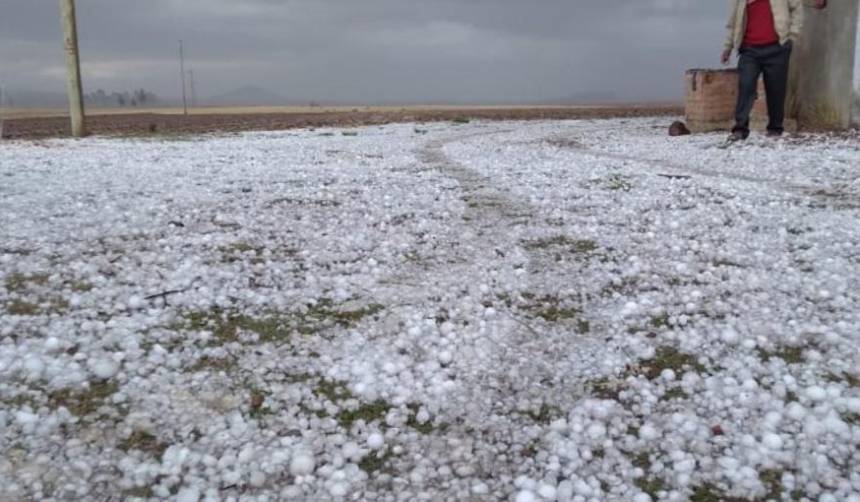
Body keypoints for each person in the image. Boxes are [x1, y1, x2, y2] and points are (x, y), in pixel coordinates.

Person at [721, 0, 804, 140]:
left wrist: (792, 36)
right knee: (746, 85)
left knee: (776, 89)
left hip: (777, 47)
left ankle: (775, 129)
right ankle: (740, 129)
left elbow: (797, 9)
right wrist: (727, 47)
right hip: (749, 50)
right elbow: (733, 21)